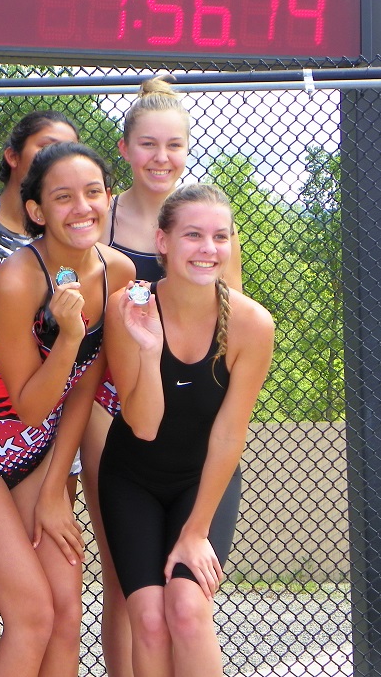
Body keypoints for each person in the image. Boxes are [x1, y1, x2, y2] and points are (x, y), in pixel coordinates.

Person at [0, 141, 136, 677]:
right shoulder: (16, 280)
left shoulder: (115, 272)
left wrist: (53, 491)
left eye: (93, 192)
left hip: (38, 456)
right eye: (64, 197)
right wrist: (69, 339)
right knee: (31, 613)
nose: (82, 208)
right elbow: (28, 404)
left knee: (67, 612)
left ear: (108, 196)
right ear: (36, 211)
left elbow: (84, 387)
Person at [79, 76, 242, 677]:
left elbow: (225, 335)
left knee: (183, 593)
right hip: (110, 400)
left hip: (183, 416)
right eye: (148, 144)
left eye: (174, 145)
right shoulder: (104, 218)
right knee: (126, 576)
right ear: (124, 149)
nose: (161, 158)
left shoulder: (204, 228)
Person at [98, 183, 274, 677]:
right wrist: (150, 350)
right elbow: (143, 425)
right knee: (150, 621)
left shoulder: (252, 325)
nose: (207, 249)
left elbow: (229, 434)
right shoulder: (127, 308)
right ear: (163, 242)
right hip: (131, 477)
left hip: (203, 479)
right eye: (193, 235)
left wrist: (196, 532)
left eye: (220, 237)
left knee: (188, 610)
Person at [0, 111, 81, 677]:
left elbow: (80, 384)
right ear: (12, 156)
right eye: (46, 148)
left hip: (40, 445)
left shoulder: (91, 260)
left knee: (57, 606)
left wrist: (55, 483)